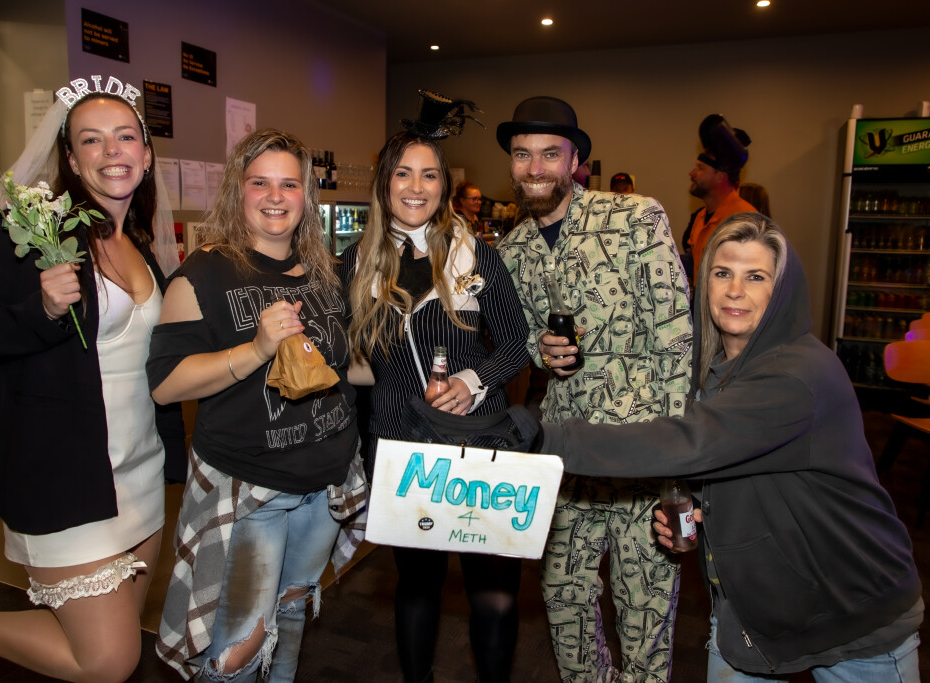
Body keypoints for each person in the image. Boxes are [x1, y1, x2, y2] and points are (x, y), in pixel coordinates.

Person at [537, 214, 922, 682]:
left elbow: (691, 442)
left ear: (781, 291)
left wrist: (546, 439)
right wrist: (705, 518)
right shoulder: (714, 372)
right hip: (754, 614)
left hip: (851, 614)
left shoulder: (798, 373)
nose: (735, 290)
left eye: (755, 276)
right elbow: (741, 468)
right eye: (723, 273)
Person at [0, 79, 185, 682]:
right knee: (107, 660)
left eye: (125, 137)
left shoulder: (138, 242)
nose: (111, 152)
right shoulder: (32, 233)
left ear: (146, 154)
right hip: (62, 480)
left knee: (106, 646)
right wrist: (42, 310)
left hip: (137, 476)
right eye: (91, 140)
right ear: (72, 159)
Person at [148, 129, 367, 681]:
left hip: (326, 484)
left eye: (289, 184)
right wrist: (255, 349)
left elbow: (347, 365)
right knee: (237, 652)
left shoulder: (324, 270)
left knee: (291, 614)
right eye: (259, 183)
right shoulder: (203, 273)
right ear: (236, 191)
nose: (275, 196)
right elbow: (166, 384)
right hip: (251, 491)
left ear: (306, 196)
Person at [495, 95, 693, 683]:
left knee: (644, 607)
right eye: (522, 155)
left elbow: (676, 336)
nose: (535, 168)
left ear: (574, 160)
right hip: (569, 450)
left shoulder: (635, 218)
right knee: (563, 596)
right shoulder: (512, 250)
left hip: (642, 449)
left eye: (549, 154)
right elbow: (516, 339)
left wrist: (680, 465)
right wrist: (538, 348)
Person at [341, 91, 529, 683]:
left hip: (479, 444)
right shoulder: (355, 264)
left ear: (444, 185)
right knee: (418, 585)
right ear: (384, 183)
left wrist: (473, 381)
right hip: (403, 447)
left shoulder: (478, 258)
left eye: (429, 174)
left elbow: (517, 344)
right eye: (403, 173)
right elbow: (346, 361)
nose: (416, 187)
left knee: (493, 592)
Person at [684, 114, 756, 285]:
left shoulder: (743, 219)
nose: (691, 173)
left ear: (720, 176)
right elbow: (694, 262)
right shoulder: (701, 217)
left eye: (700, 168)